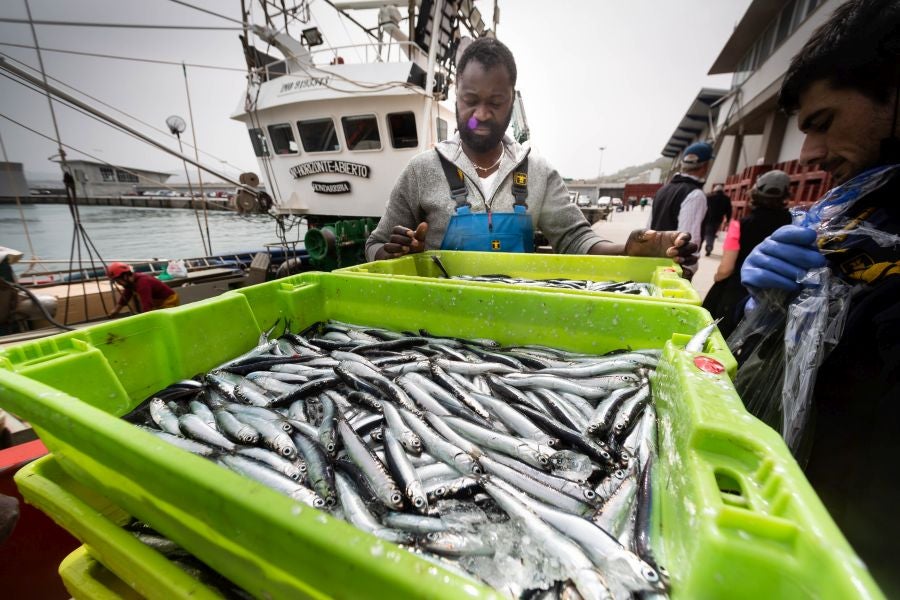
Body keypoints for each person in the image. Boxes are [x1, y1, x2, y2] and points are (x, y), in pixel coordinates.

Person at [738, 0, 900, 593]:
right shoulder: (860, 215)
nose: (808, 154)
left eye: (826, 122)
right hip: (816, 514)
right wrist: (762, 309)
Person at [365, 38, 698, 267]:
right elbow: (375, 245)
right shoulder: (421, 170)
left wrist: (628, 249)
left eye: (494, 103)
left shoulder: (539, 173)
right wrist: (391, 253)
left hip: (517, 330)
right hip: (438, 331)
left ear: (513, 100)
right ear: (456, 95)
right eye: (470, 100)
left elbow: (575, 239)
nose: (481, 114)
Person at [702, 171, 791, 338]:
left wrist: (717, 277)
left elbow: (726, 268)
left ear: (755, 194)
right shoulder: (792, 223)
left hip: (737, 292)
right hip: (775, 296)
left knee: (716, 337)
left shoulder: (740, 225)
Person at [648, 142, 712, 278]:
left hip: (654, 261)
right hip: (674, 269)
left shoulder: (662, 190)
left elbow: (648, 229)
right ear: (706, 166)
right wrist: (688, 270)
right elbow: (690, 239)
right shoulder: (695, 194)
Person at [107, 262, 180, 316]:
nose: (118, 283)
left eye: (118, 280)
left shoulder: (142, 283)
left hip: (169, 301)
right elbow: (125, 298)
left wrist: (144, 319)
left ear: (125, 276)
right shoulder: (130, 283)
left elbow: (147, 305)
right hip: (158, 303)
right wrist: (115, 311)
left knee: (164, 319)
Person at [702, 183, 732, 256]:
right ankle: (709, 245)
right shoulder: (726, 199)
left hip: (708, 218)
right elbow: (729, 210)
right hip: (719, 219)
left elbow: (703, 207)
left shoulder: (709, 197)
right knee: (712, 233)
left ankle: (709, 245)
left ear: (714, 190)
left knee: (709, 233)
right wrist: (728, 220)